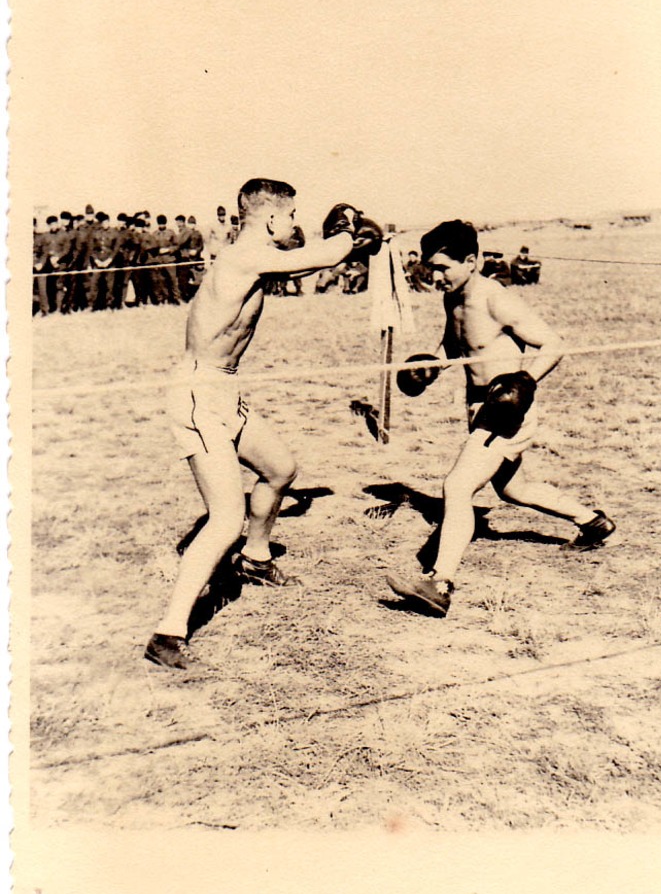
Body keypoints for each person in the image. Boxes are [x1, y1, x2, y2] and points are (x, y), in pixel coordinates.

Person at [145, 179, 381, 669]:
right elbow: (314, 259)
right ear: (271, 218)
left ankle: (255, 557)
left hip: (223, 389)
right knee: (225, 517)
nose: (294, 224)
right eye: (291, 215)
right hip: (199, 392)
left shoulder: (251, 257)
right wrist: (352, 234)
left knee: (280, 469)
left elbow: (308, 257)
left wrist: (346, 239)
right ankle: (167, 633)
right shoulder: (243, 257)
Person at [386, 219, 615, 618]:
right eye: (432, 268)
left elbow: (553, 343)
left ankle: (440, 584)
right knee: (512, 489)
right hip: (479, 409)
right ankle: (592, 522)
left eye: (443, 268)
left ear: (471, 261)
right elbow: (455, 343)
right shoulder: (451, 298)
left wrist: (524, 380)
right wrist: (432, 365)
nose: (436, 276)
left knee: (457, 487)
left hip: (508, 412)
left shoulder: (495, 298)